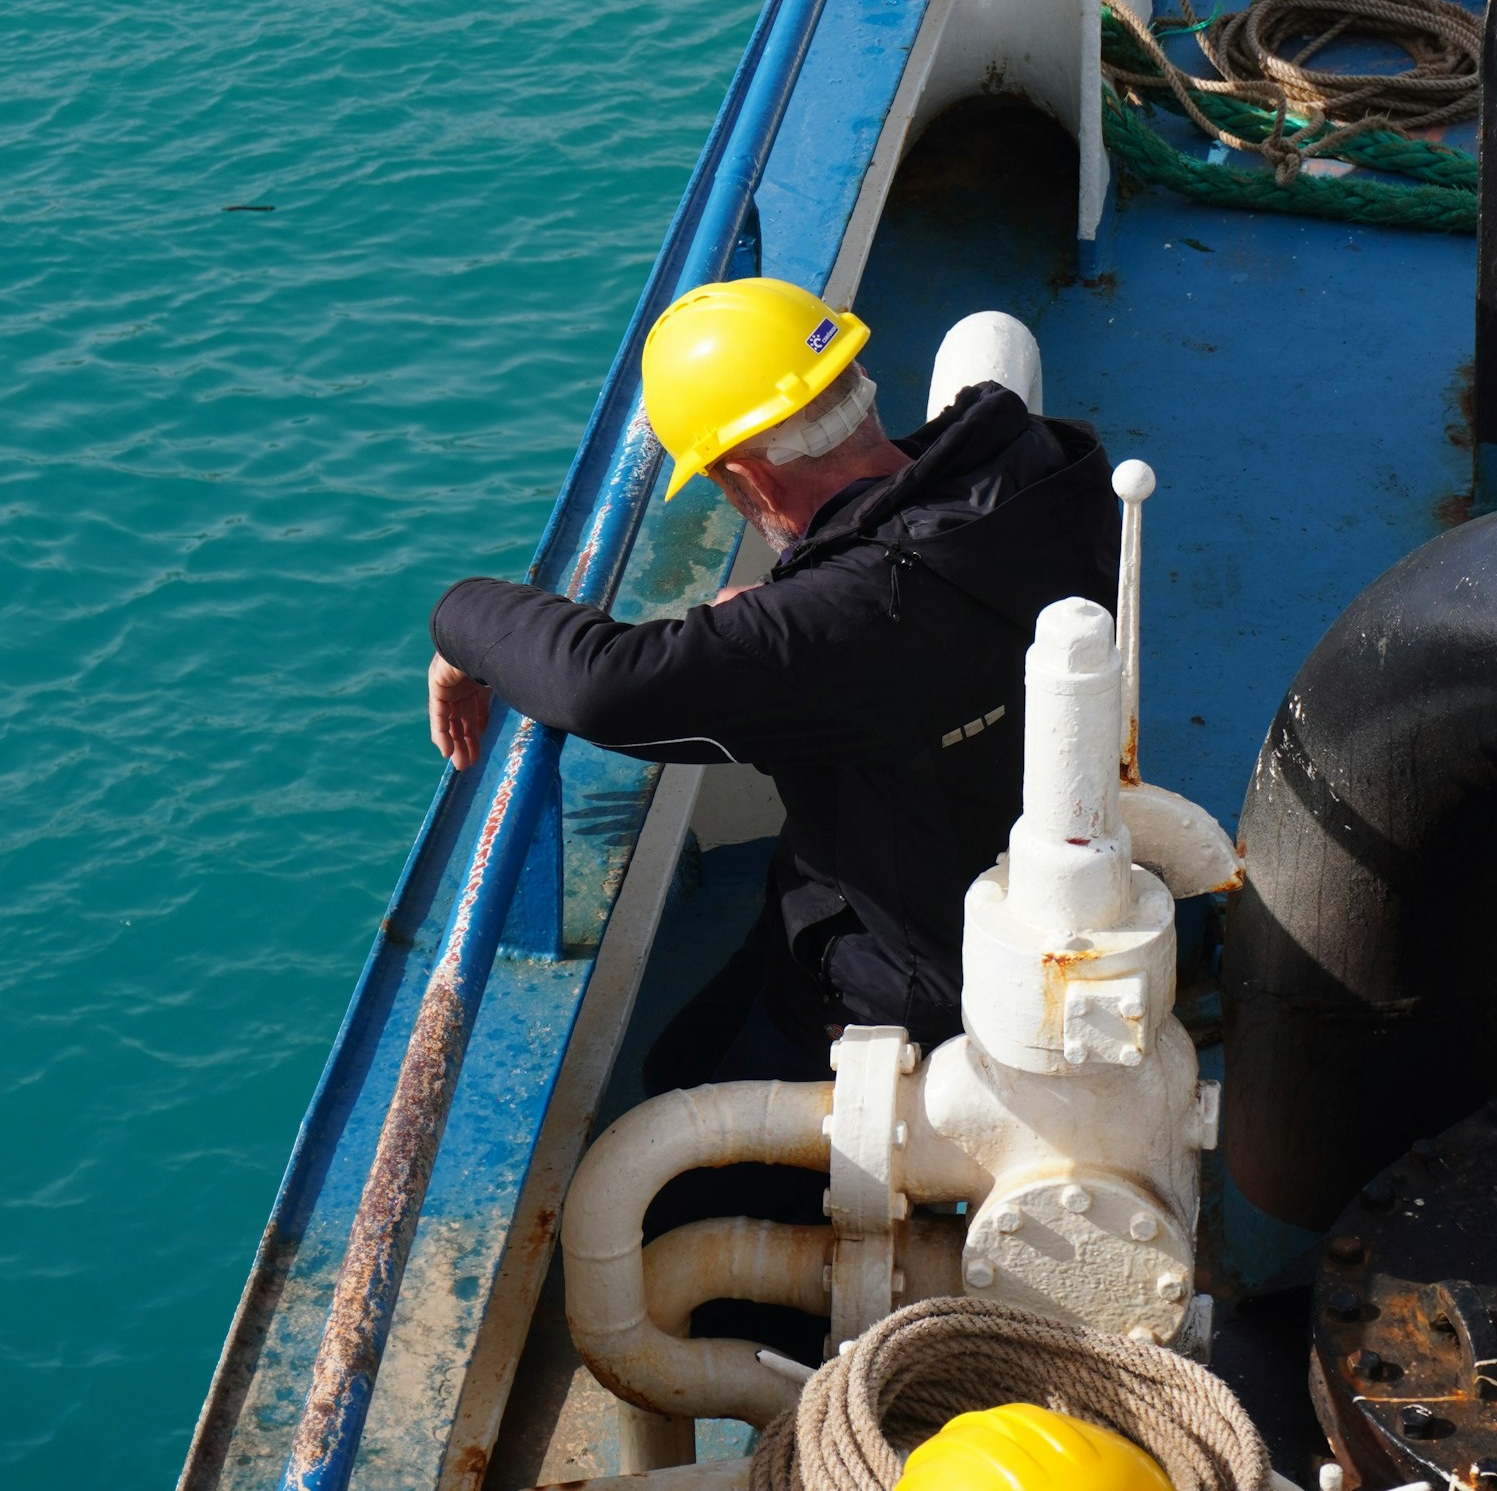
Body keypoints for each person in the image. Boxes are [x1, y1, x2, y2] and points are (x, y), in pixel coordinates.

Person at [427, 275, 1120, 1087]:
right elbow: (887, 601)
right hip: (985, 870)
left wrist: (457, 620)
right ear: (854, 388)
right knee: (682, 1054)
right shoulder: (1038, 458)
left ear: (750, 479)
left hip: (903, 999)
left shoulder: (846, 621)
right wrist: (800, 595)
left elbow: (601, 685)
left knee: (679, 1160)